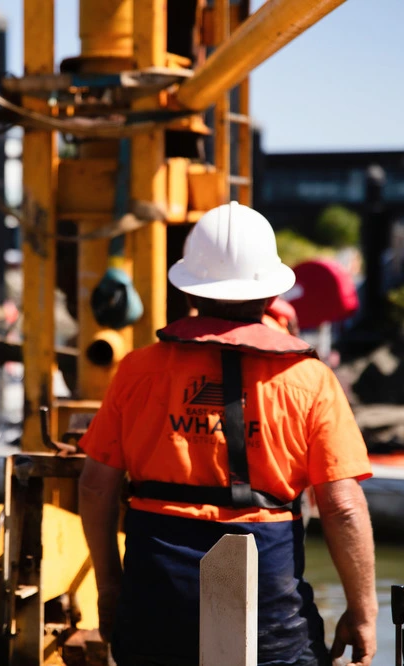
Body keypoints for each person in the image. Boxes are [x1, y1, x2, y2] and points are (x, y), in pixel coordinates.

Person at [78, 202, 377, 666]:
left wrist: (110, 586)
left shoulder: (136, 371)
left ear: (192, 289)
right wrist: (363, 612)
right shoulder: (308, 378)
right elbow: (341, 507)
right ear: (269, 295)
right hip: (267, 601)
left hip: (155, 596)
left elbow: (96, 486)